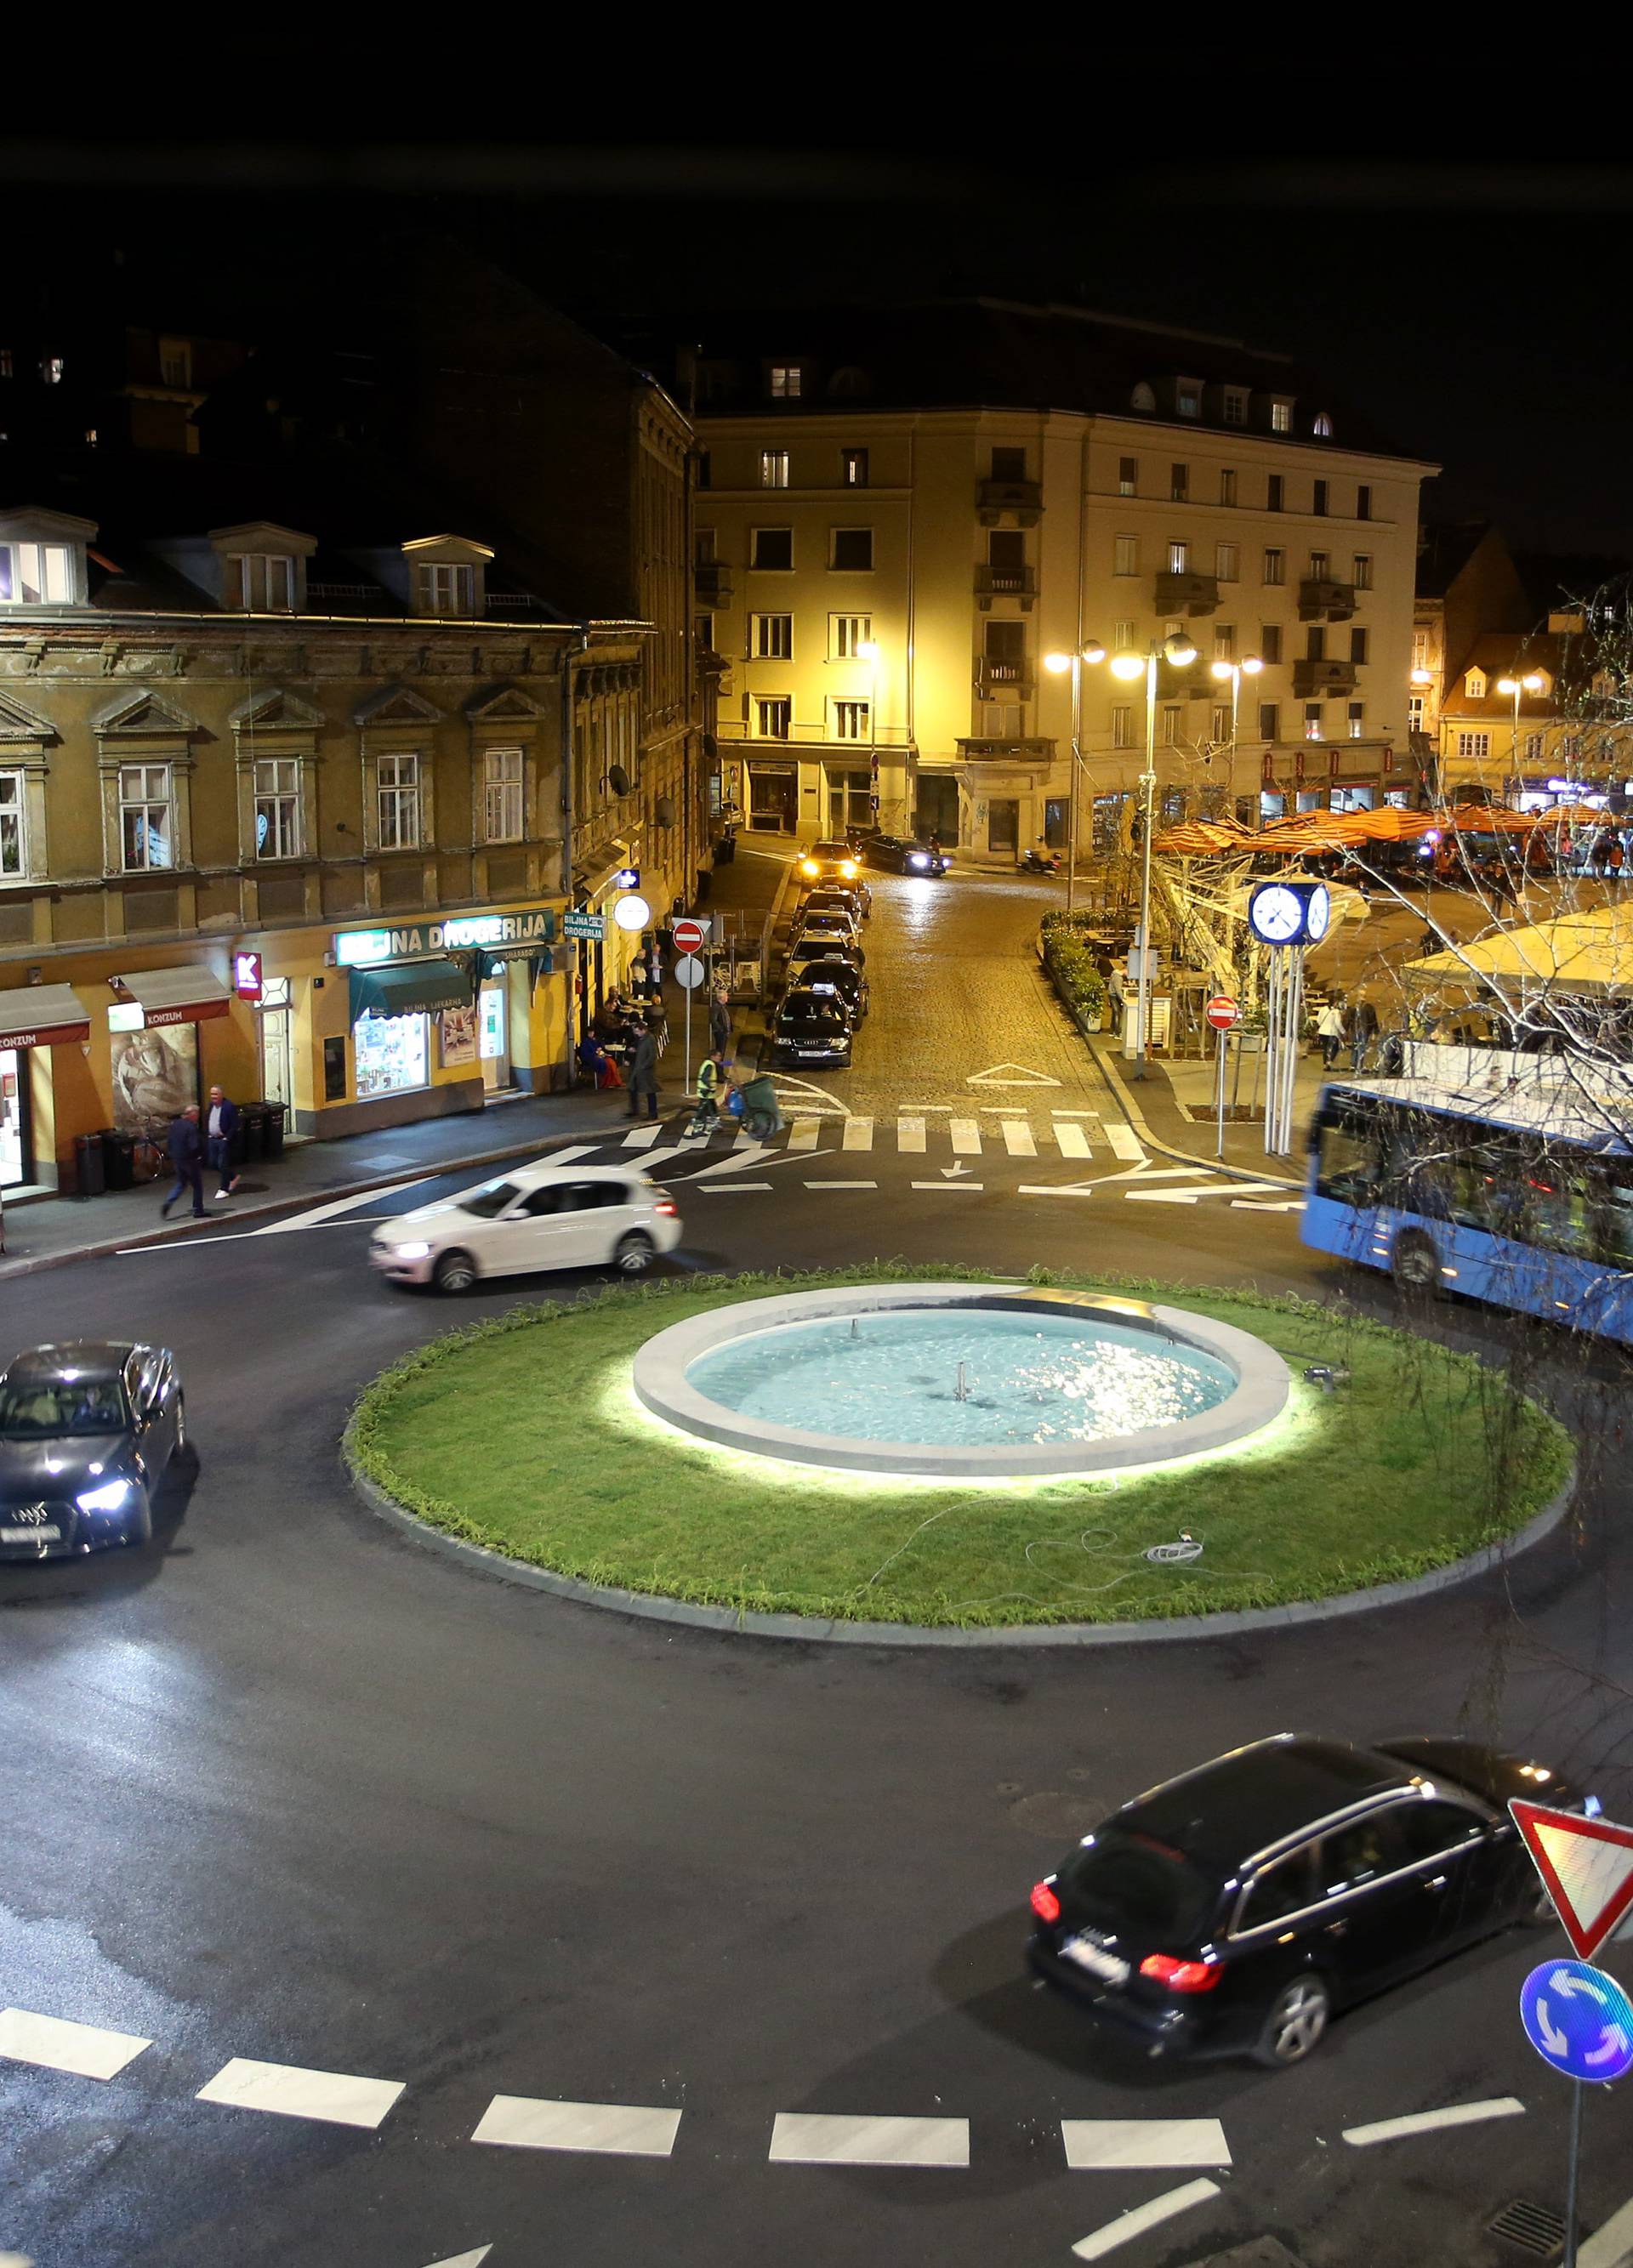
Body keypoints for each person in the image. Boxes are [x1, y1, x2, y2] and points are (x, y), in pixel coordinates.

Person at [159, 1104, 206, 1219]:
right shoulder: (191, 1127)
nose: (197, 1117)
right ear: (193, 1114)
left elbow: (169, 1141)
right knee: (197, 1185)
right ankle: (198, 1210)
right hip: (190, 1160)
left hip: (178, 1159)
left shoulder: (176, 1125)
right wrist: (199, 1155)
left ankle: (169, 1202)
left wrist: (172, 1154)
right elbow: (194, 1146)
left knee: (181, 1183)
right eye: (197, 1114)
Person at [204, 1083, 241, 1199]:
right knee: (213, 1163)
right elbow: (209, 1119)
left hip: (223, 1140)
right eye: (211, 1094)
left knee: (222, 1164)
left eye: (215, 1094)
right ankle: (233, 1176)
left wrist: (227, 1137)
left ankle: (224, 1189)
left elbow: (235, 1124)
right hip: (212, 1139)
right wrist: (208, 1134)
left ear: (221, 1094)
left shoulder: (228, 1106)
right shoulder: (211, 1105)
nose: (213, 1096)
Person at [688, 1050, 728, 1136]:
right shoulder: (709, 1064)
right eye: (718, 1056)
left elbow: (715, 1078)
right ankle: (696, 1129)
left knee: (713, 1109)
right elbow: (705, 1078)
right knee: (702, 1111)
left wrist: (726, 1080)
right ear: (712, 1057)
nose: (720, 1058)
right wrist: (710, 1088)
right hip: (705, 1092)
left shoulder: (711, 1064)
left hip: (709, 1093)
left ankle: (714, 1125)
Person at [626, 1019, 659, 1120]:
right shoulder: (642, 1039)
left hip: (646, 1071)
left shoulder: (650, 1039)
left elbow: (652, 1055)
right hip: (639, 1068)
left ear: (643, 1030)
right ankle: (635, 1110)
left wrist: (644, 1066)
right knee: (633, 1088)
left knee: (650, 1092)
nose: (636, 1034)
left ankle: (653, 1113)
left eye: (637, 1031)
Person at [1348, 995, 1379, 1072]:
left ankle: (1354, 1065)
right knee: (1360, 1048)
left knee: (1356, 1047)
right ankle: (1357, 1065)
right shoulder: (1366, 1008)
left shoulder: (1355, 1008)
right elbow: (1373, 1020)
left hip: (1358, 1030)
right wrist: (1375, 1031)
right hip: (1362, 1030)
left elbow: (1350, 1020)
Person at [1316, 998, 1346, 1068]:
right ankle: (1328, 1062)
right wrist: (1343, 1032)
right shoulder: (1336, 1012)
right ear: (1335, 1003)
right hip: (1332, 1033)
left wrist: (1323, 1026)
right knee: (1335, 1048)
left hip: (1322, 1032)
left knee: (1325, 1048)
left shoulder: (1323, 1009)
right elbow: (1338, 1023)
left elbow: (1318, 1020)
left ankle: (1325, 1063)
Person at [708, 984, 731, 1056]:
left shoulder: (722, 1006)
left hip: (723, 1032)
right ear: (722, 998)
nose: (728, 997)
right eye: (726, 996)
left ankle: (721, 1064)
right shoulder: (716, 1007)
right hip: (720, 1032)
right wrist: (721, 1029)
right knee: (720, 1049)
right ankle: (719, 1065)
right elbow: (713, 1020)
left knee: (722, 1049)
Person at [1107, 962, 1126, 1036]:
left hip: (1111, 994)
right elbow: (1118, 989)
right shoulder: (1118, 978)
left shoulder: (1115, 974)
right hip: (1114, 996)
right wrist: (1122, 999)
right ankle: (1117, 1031)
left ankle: (1113, 1029)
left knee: (1115, 1012)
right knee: (1117, 1013)